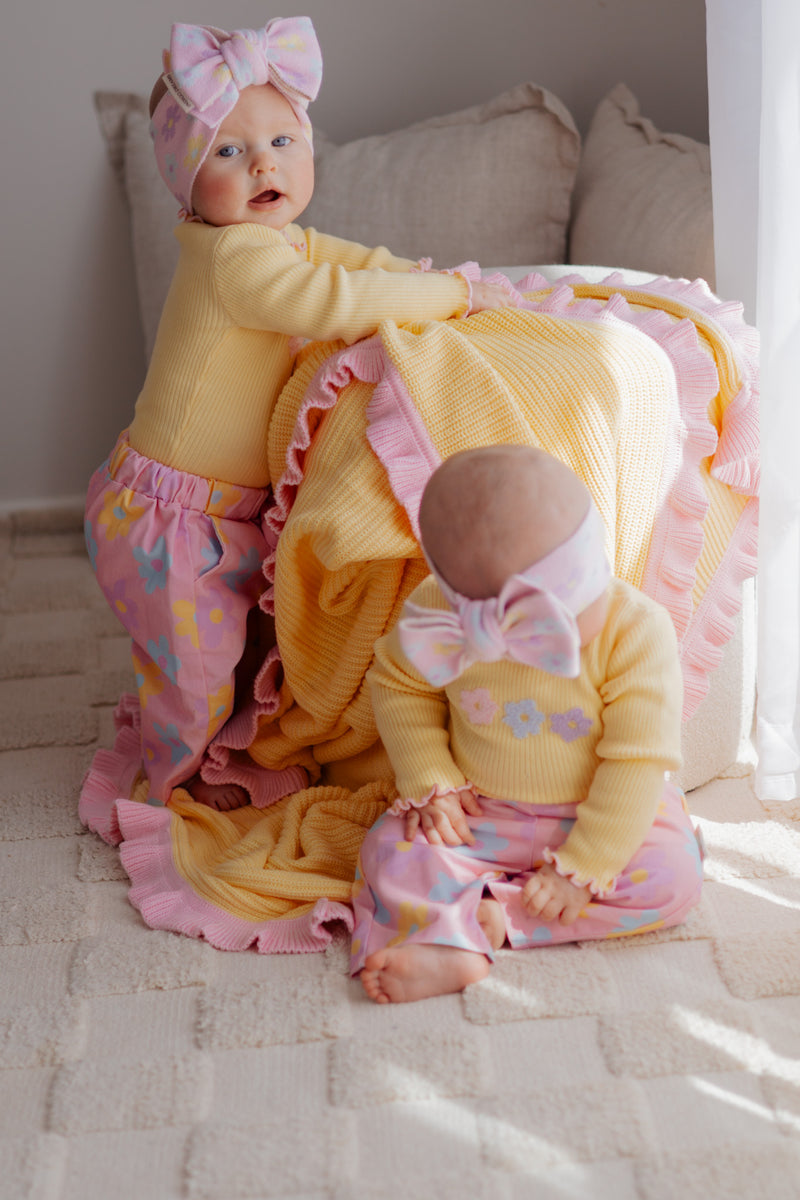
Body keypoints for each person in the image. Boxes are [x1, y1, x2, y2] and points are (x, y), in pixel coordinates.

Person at [84, 16, 512, 812]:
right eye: (228, 150)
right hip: (171, 521)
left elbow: (356, 264)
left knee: (234, 652)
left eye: (282, 141)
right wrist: (451, 297)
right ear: (183, 181)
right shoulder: (236, 256)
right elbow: (332, 301)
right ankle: (174, 787)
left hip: (210, 512)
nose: (261, 165)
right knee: (198, 670)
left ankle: (207, 747)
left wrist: (435, 279)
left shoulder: (279, 241)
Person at [351, 443, 704, 1003]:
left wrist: (586, 867)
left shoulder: (636, 629)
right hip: (482, 811)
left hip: (603, 808)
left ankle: (498, 919)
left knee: (673, 877)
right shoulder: (437, 613)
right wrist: (432, 781)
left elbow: (638, 760)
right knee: (389, 851)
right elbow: (399, 684)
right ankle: (459, 936)